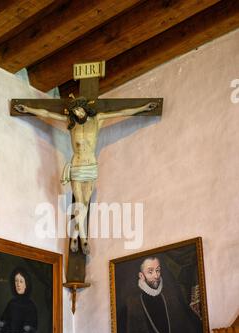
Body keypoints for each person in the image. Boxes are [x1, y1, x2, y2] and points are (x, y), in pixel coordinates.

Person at [14, 96, 158, 255]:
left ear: (85, 108)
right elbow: (47, 114)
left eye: (79, 109)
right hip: (76, 165)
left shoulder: (97, 119)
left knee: (84, 203)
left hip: (90, 166)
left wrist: (143, 108)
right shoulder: (71, 123)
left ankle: (75, 234)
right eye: (74, 111)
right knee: (80, 203)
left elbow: (122, 112)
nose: (77, 113)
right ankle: (84, 239)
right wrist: (27, 110)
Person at [122, 256, 205, 333]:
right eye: (150, 272)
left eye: (158, 270)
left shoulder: (170, 298)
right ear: (141, 276)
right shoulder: (133, 304)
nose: (156, 275)